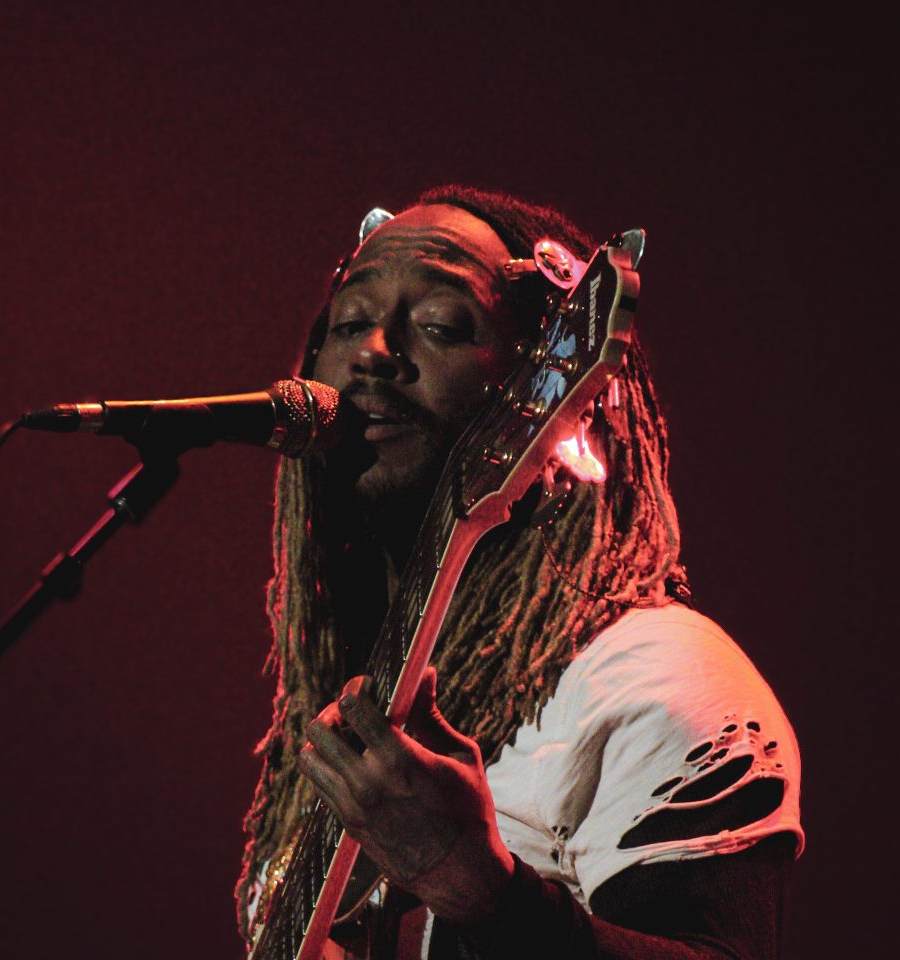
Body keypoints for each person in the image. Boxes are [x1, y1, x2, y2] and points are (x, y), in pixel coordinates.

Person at [235, 186, 803, 959]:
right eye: (349, 322)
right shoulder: (341, 703)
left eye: (440, 325)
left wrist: (480, 889)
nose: (373, 352)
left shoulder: (652, 679)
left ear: (548, 392)